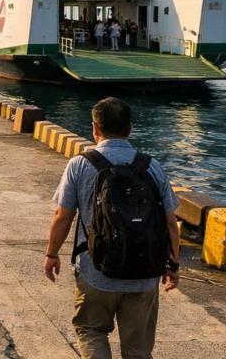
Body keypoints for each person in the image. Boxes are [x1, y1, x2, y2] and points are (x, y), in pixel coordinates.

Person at [43, 98, 180, 359]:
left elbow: (63, 217)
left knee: (91, 330)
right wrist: (172, 265)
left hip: (96, 272)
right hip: (144, 274)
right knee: (138, 350)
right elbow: (171, 224)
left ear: (95, 128)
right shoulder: (151, 166)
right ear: (130, 128)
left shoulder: (79, 164)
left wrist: (52, 254)